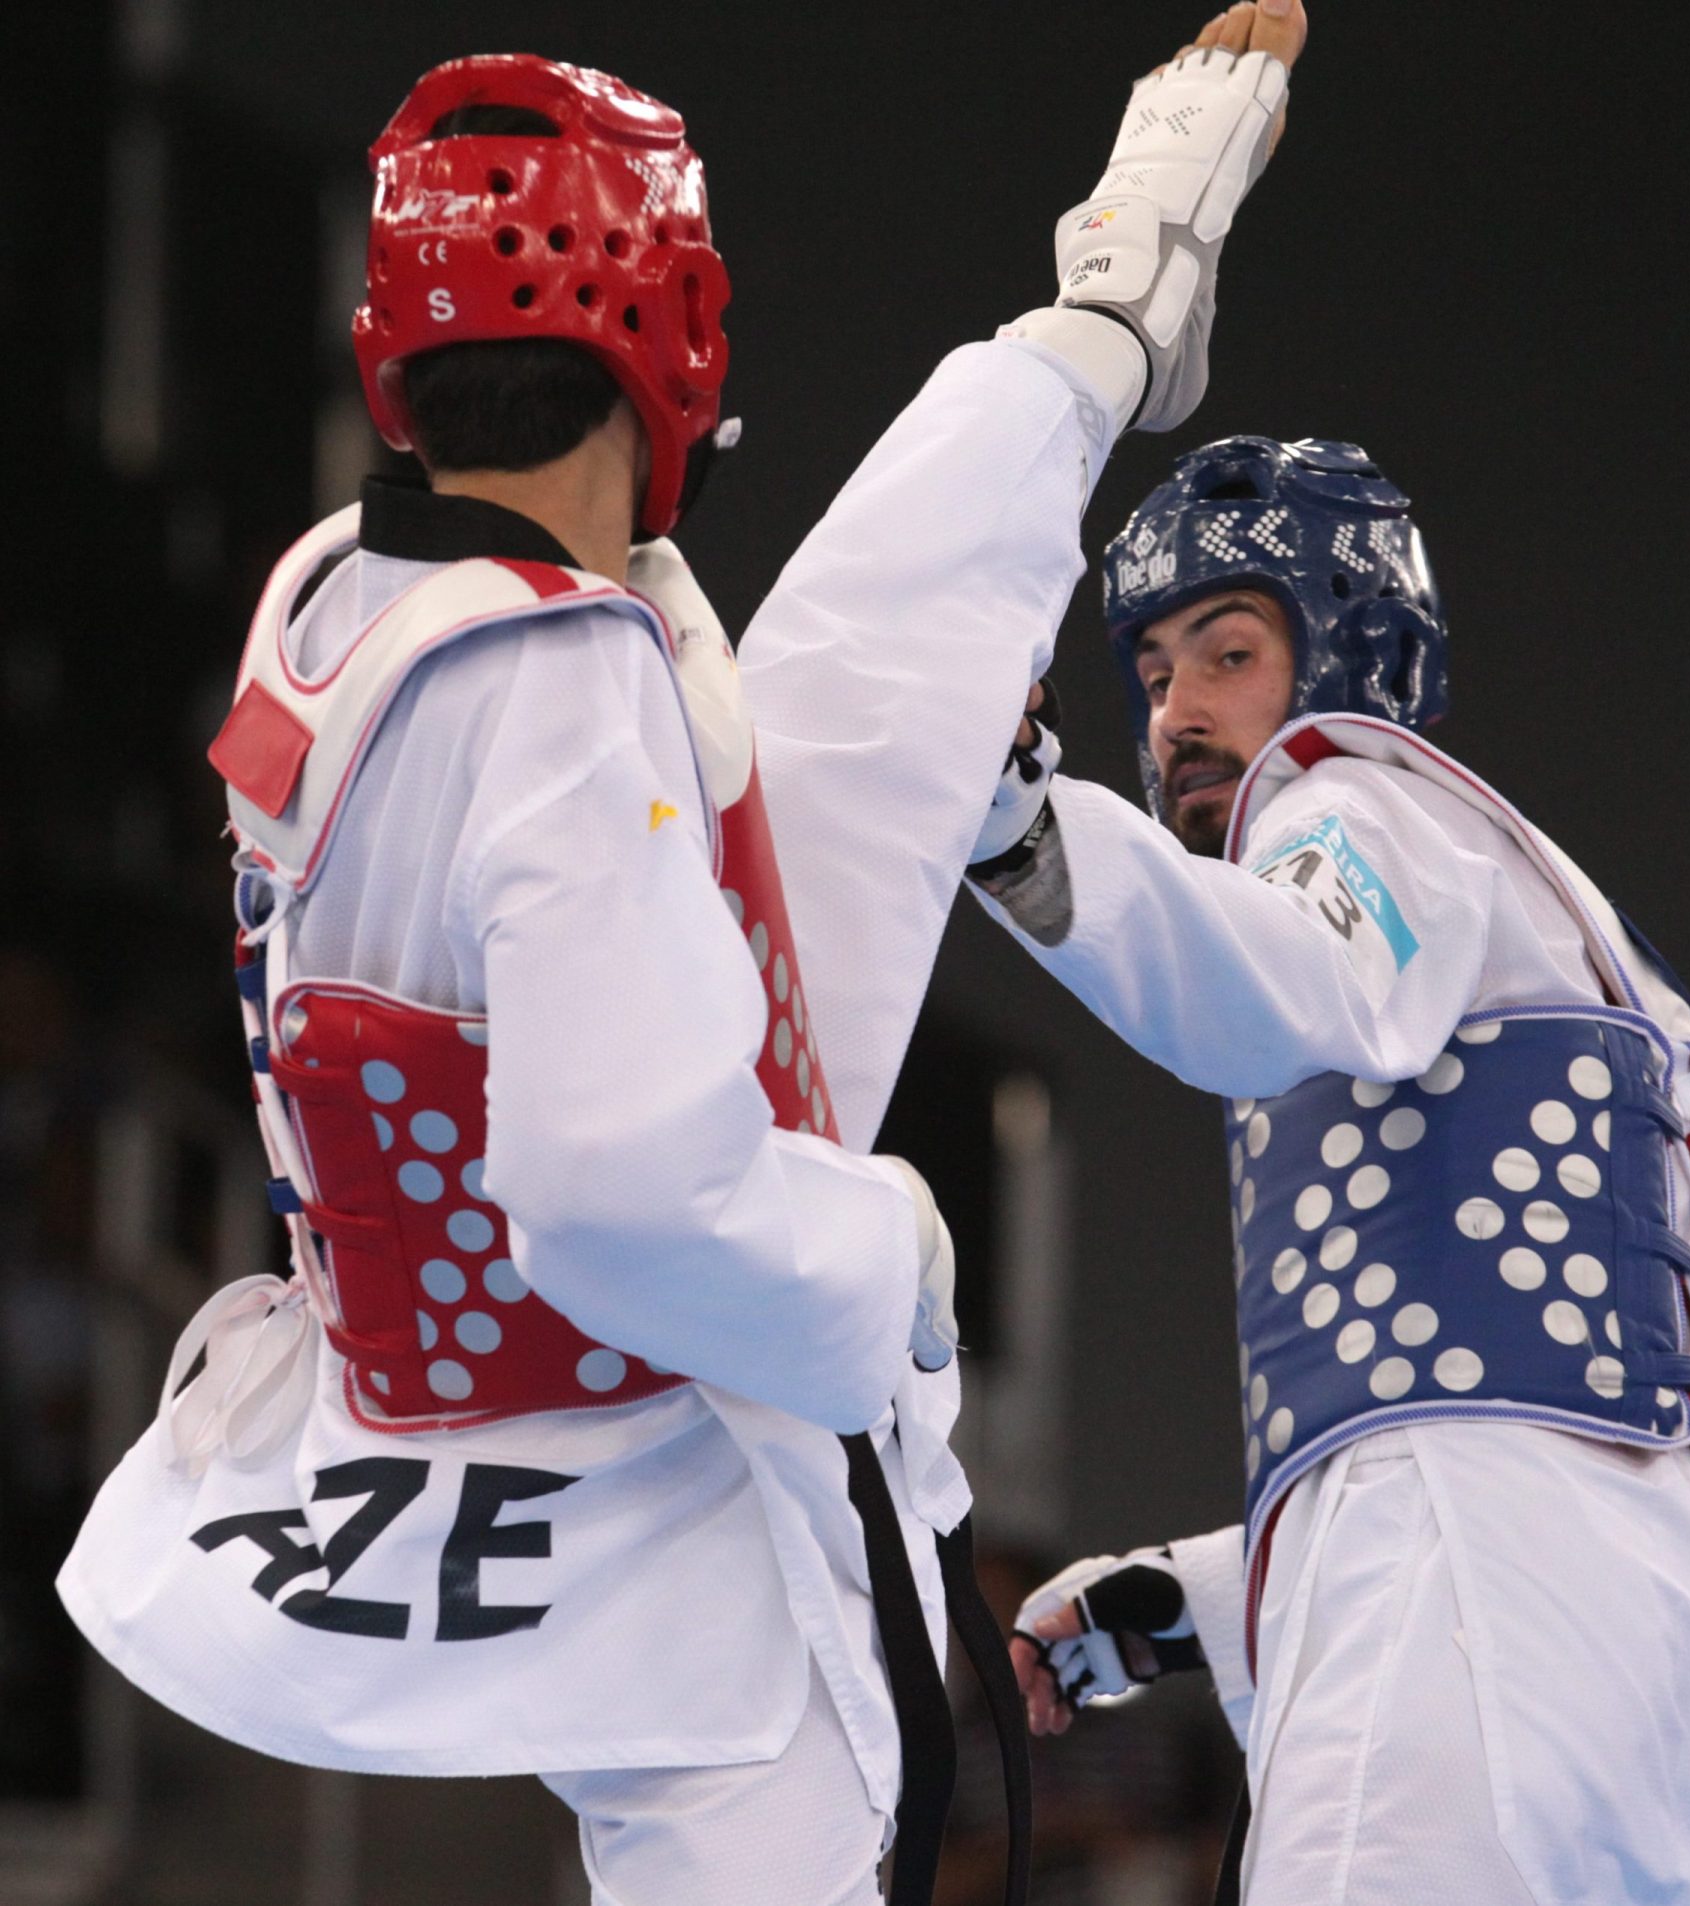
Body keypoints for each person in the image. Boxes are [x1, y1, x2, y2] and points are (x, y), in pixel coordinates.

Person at [56, 12, 1306, 1905]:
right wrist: (890, 1249)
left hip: (440, 1430)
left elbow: (844, 704)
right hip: (635, 1470)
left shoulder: (354, 606)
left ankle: (1104, 321)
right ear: (678, 332)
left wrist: (1112, 299)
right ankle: (1106, 323)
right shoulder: (553, 686)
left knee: (839, 701)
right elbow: (623, 1189)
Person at [973, 431, 1690, 1904]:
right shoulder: (1524, 914)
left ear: (1353, 651)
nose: (1178, 711)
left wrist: (1014, 824)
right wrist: (1216, 1594)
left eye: (1228, 651)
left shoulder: (1351, 797)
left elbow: (1278, 985)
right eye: (1154, 674)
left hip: (1496, 1625)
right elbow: (1530, 1426)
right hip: (1676, 1660)